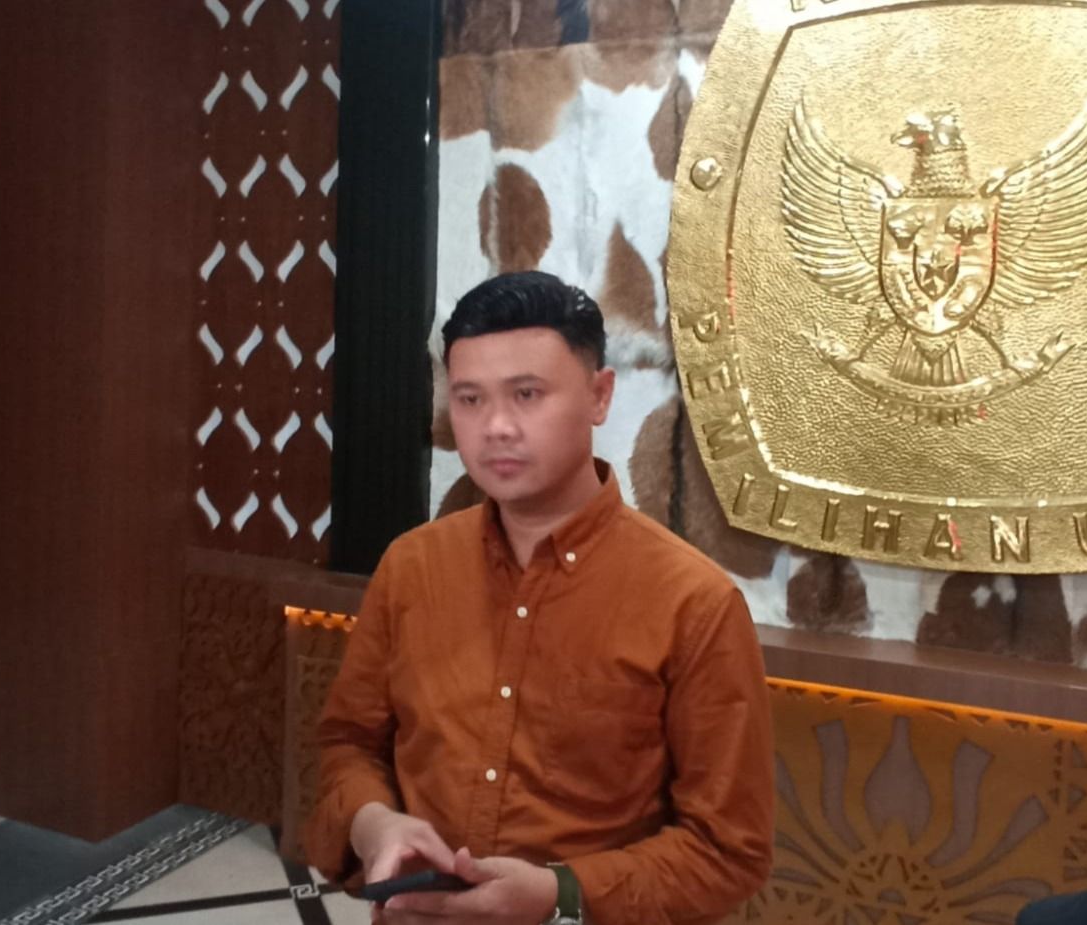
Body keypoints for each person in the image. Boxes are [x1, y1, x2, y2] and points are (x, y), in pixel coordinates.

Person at [304, 271, 774, 925]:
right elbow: (348, 743)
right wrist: (374, 824)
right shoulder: (412, 566)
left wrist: (560, 894)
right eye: (470, 399)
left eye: (526, 394)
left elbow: (727, 850)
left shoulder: (694, 603)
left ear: (599, 395)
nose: (495, 426)